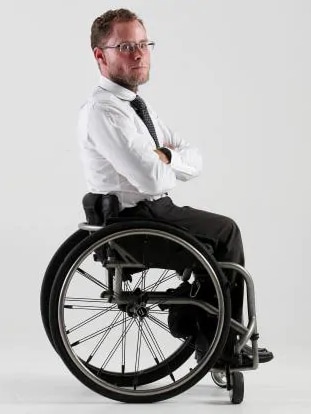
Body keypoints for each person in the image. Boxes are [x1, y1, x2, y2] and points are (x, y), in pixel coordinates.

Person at [78, 8, 273, 366]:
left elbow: (193, 156)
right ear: (100, 56)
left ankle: (205, 330)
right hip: (133, 222)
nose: (138, 54)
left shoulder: (137, 106)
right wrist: (166, 165)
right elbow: (151, 179)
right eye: (124, 46)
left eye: (142, 44)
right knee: (225, 233)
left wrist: (165, 154)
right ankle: (219, 344)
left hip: (153, 212)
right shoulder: (104, 111)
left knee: (219, 235)